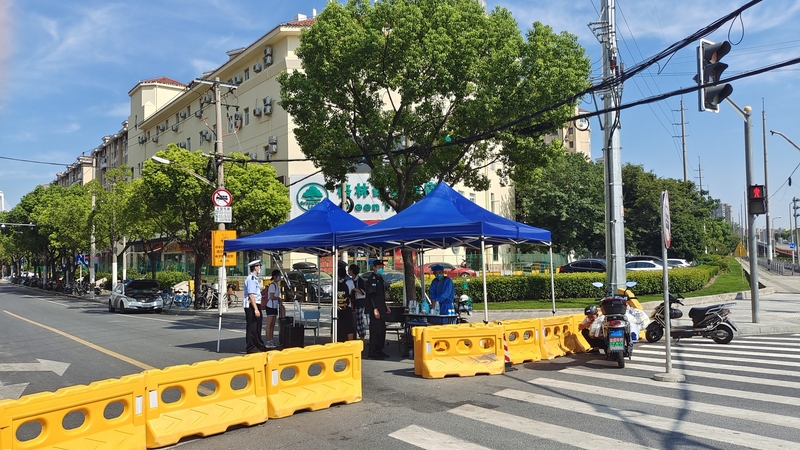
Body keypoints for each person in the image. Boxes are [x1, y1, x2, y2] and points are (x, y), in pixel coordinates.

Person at [365, 259, 391, 359]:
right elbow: (371, 296)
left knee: (381, 330)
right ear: (374, 268)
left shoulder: (380, 278)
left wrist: (385, 306)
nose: (381, 269)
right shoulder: (372, 279)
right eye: (379, 267)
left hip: (381, 308)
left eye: (382, 267)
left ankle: (379, 349)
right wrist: (374, 309)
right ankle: (372, 352)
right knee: (375, 331)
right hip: (375, 309)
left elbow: (381, 296)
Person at [243, 260, 267, 353]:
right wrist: (256, 309)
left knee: (257, 326)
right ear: (255, 267)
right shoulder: (251, 279)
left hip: (255, 303)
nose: (260, 267)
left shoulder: (254, 278)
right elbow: (251, 295)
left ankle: (258, 344)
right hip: (251, 304)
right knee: (252, 326)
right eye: (259, 266)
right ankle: (251, 347)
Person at [262, 270, 283, 349]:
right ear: (274, 276)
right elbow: (272, 296)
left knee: (273, 324)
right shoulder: (272, 285)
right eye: (278, 275)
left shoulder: (277, 285)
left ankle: (271, 340)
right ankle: (268, 341)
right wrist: (279, 299)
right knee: (269, 324)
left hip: (274, 307)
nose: (279, 277)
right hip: (270, 306)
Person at [336, 267, 356, 342]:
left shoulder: (334, 283)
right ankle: (350, 345)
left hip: (336, 308)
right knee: (349, 327)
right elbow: (352, 292)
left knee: (335, 327)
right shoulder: (350, 282)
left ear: (337, 275)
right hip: (347, 307)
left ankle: (334, 344)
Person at [349, 264, 368, 340]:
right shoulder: (351, 280)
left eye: (349, 270)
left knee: (359, 320)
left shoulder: (359, 280)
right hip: (352, 303)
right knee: (354, 321)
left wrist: (354, 288)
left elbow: (363, 291)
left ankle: (362, 337)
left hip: (359, 302)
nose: (348, 271)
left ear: (352, 271)